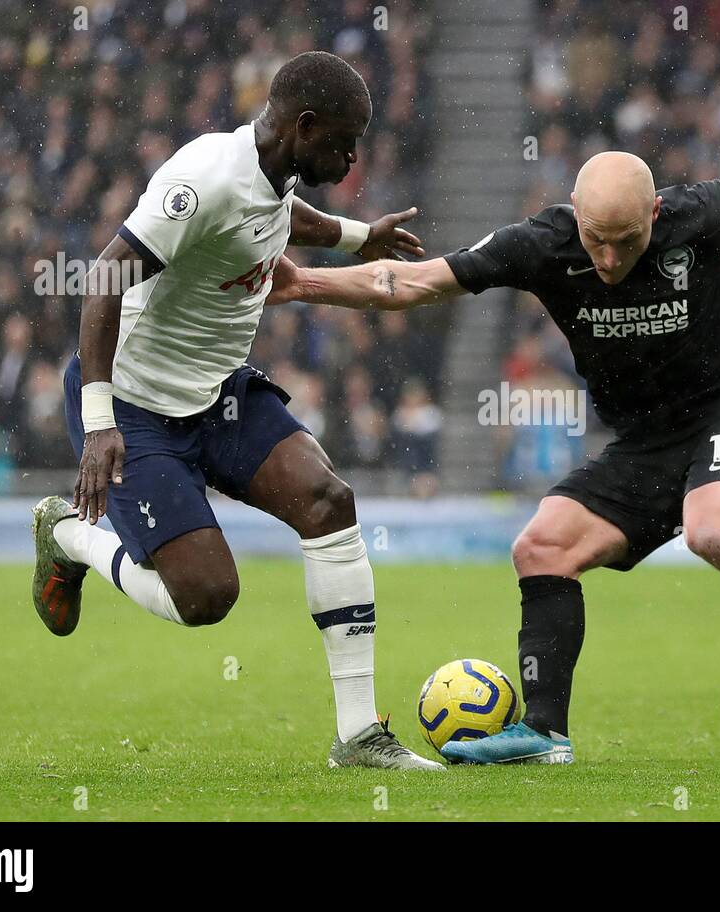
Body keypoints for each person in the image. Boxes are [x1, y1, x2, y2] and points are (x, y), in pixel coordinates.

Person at [267, 149, 720, 762]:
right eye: (597, 240)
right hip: (644, 444)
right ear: (574, 217)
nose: (612, 257)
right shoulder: (542, 244)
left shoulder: (700, 212)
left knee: (715, 530)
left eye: (627, 239)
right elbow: (418, 281)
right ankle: (546, 733)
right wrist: (305, 283)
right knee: (542, 546)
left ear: (656, 213)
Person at [30, 51, 442, 771]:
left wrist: (356, 235)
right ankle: (67, 535)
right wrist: (99, 423)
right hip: (135, 405)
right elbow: (102, 284)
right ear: (303, 124)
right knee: (207, 597)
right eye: (344, 142)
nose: (352, 158)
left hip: (216, 394)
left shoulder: (272, 171)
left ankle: (358, 737)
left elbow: (284, 216)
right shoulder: (204, 180)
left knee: (328, 500)